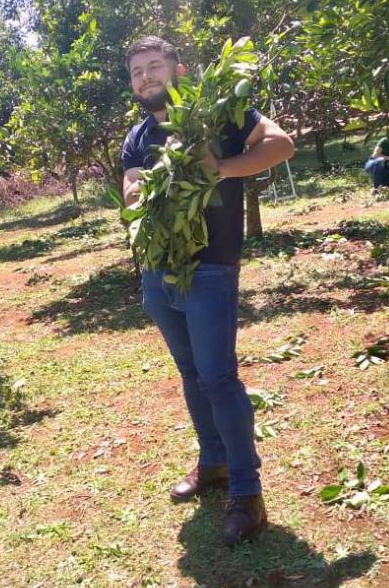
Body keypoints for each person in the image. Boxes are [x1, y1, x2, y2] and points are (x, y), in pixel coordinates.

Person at [121, 36, 295, 546]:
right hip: (157, 271)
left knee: (219, 379)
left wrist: (218, 166)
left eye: (155, 66)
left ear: (180, 69)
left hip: (211, 269)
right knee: (192, 373)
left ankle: (248, 493)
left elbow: (280, 145)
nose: (146, 77)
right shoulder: (138, 136)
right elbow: (131, 190)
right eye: (137, 72)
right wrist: (144, 186)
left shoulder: (218, 116)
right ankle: (213, 463)